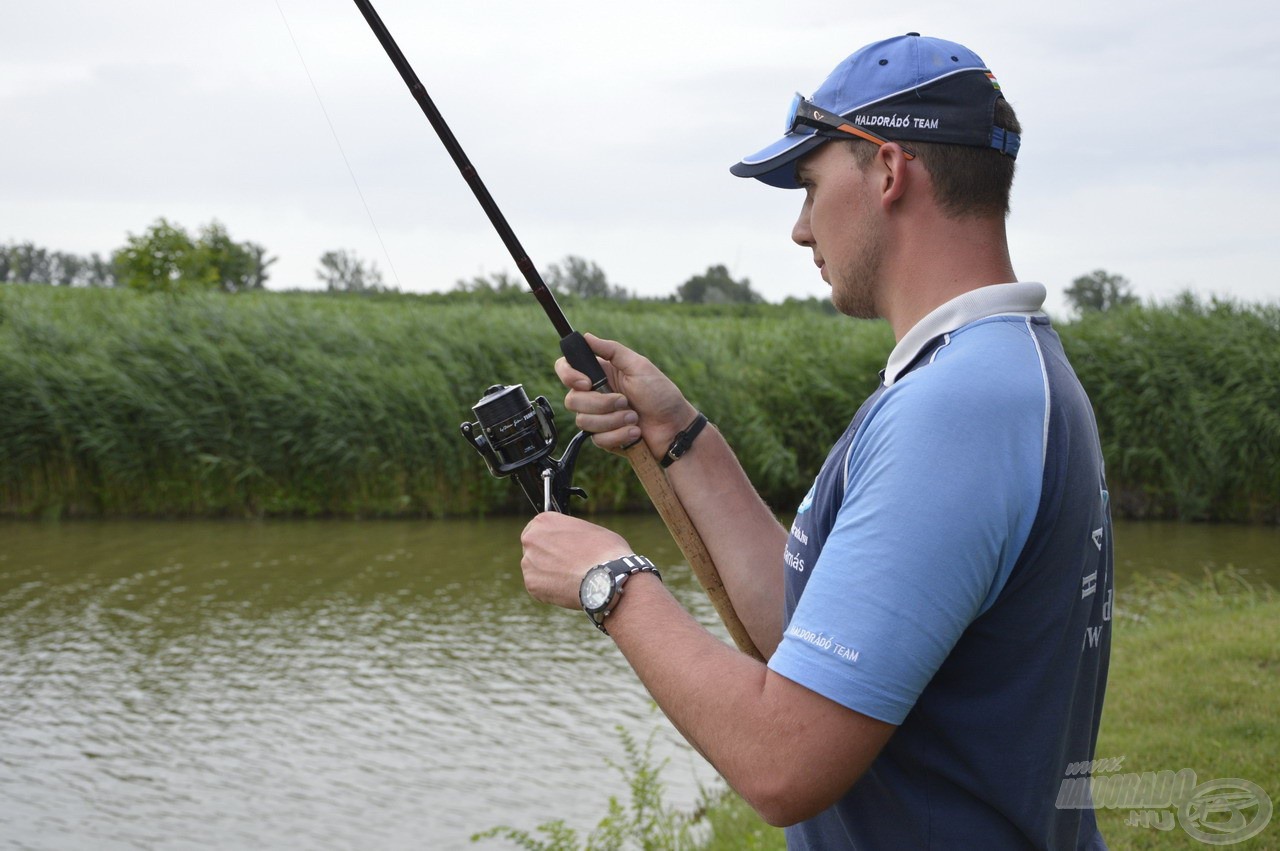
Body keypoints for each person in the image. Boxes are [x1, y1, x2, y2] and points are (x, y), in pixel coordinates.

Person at [519, 33, 1112, 849]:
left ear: (890, 170)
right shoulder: (993, 372)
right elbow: (804, 642)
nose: (800, 230)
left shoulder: (958, 410)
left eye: (807, 185)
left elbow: (784, 760)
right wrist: (679, 432)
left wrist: (609, 578)